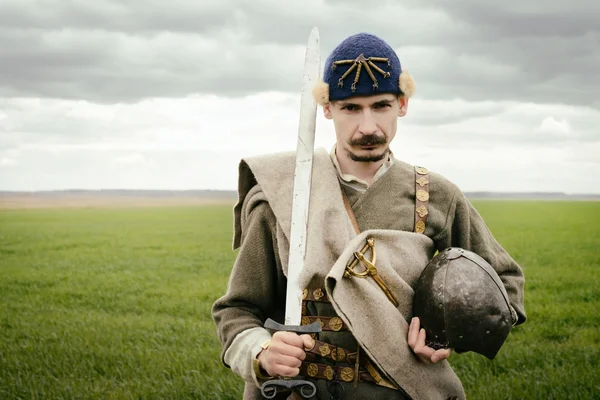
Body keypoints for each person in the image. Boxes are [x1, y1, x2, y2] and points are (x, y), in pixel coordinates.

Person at [212, 32, 526, 400]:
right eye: (350, 108)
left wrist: (444, 338)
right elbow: (236, 310)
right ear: (327, 108)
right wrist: (260, 352)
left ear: (402, 103)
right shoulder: (284, 196)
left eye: (380, 105)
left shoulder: (437, 196)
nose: (367, 127)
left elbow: (505, 285)